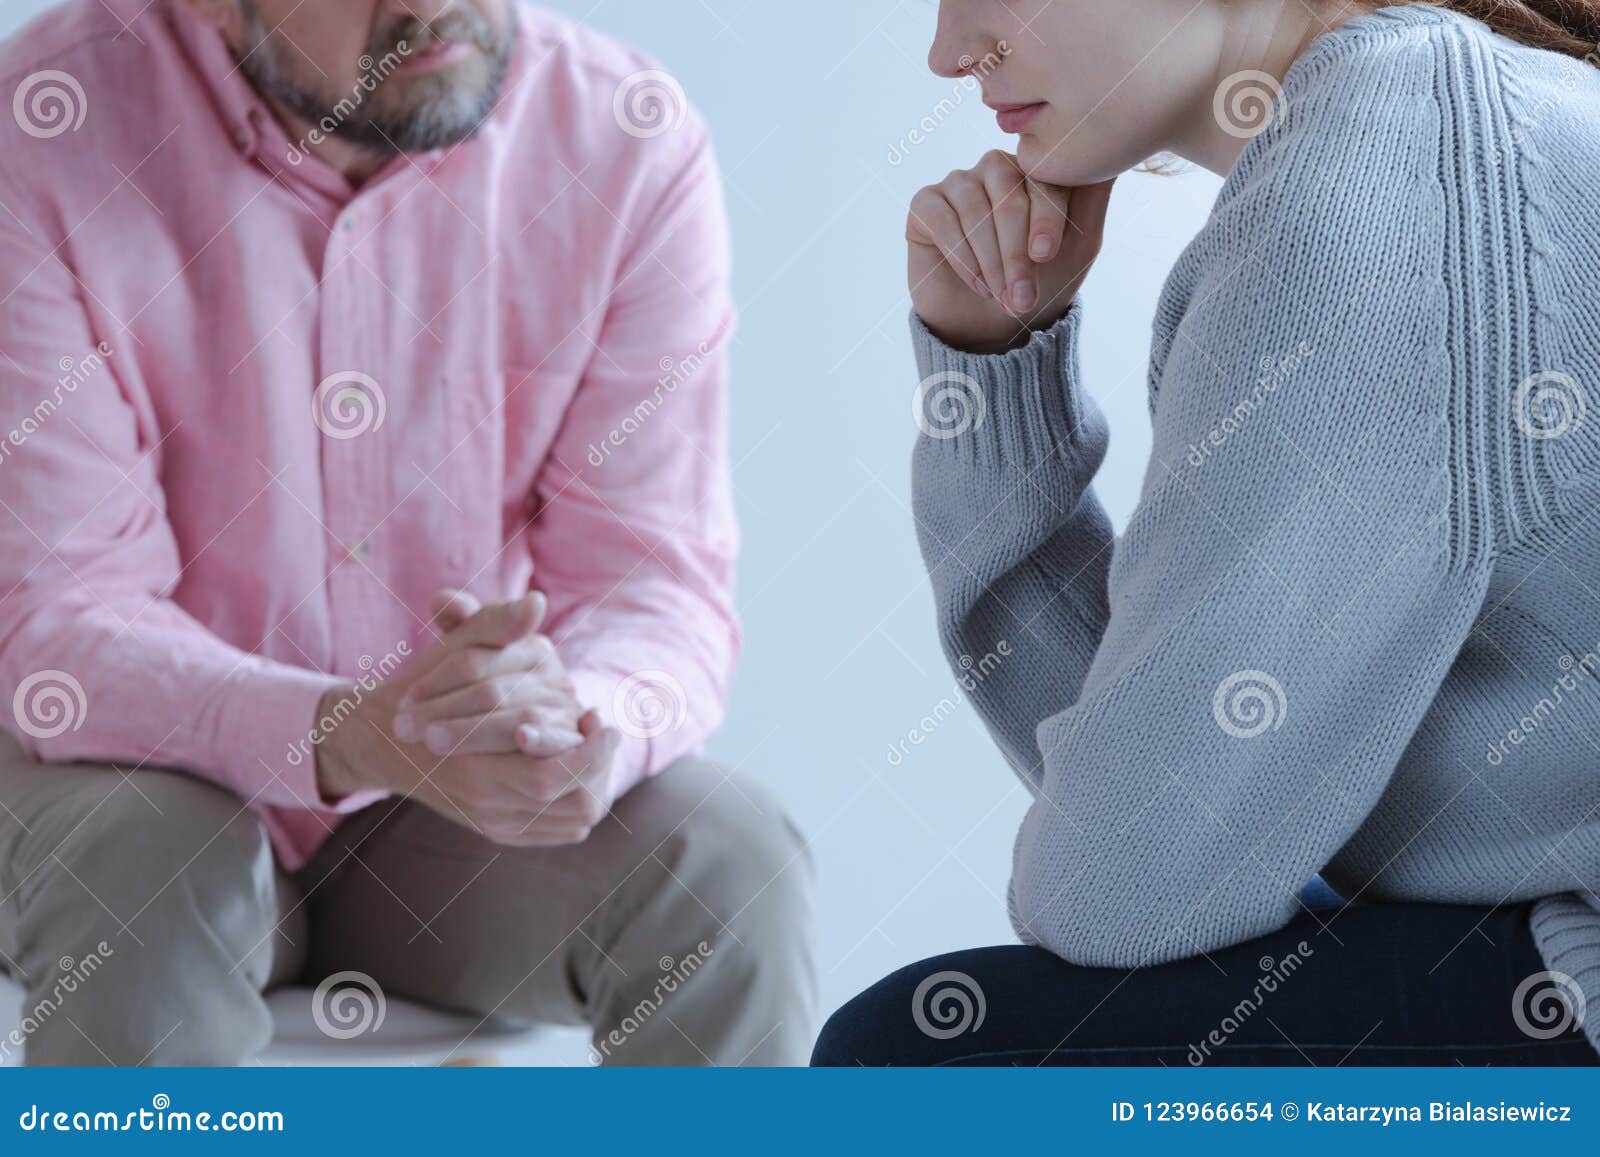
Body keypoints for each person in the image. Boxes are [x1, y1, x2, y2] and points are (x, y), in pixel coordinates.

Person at [0, 0, 816, 1066]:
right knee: (153, 864)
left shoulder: (626, 143)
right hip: (111, 777)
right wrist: (339, 730)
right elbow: (62, 621)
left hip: (433, 820)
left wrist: (566, 722)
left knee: (725, 861)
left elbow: (652, 585)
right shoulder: (44, 128)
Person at [815, 0, 1600, 1065]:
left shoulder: (1383, 170)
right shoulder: (1448, 118)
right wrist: (997, 370)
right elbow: (1170, 815)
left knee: (910, 1052)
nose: (951, 54)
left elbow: (1119, 889)